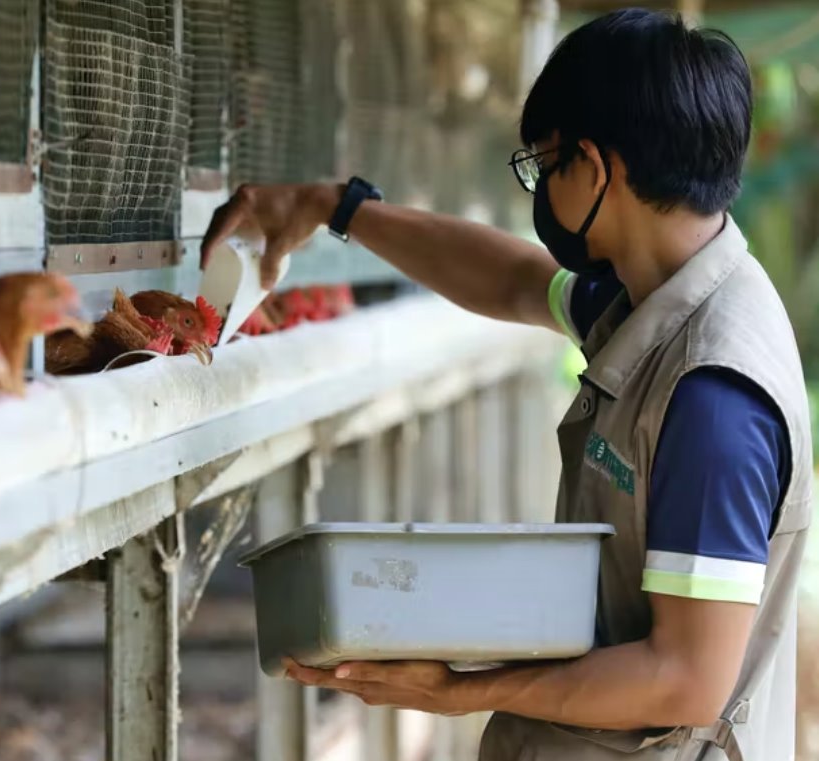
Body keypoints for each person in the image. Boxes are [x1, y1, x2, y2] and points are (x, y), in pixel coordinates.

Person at [200, 8, 812, 761]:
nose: (540, 188)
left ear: (593, 165)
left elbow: (684, 678)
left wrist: (461, 688)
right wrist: (340, 208)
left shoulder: (714, 395)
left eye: (544, 164)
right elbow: (514, 278)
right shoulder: (651, 299)